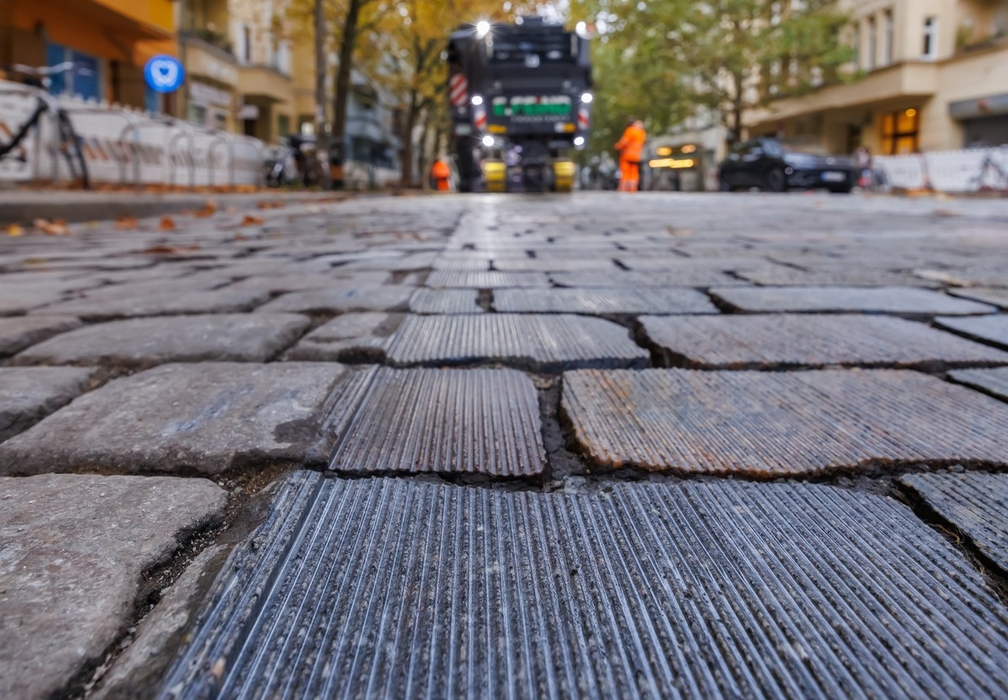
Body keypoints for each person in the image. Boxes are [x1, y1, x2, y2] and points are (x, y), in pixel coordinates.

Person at [615, 118, 646, 191]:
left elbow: (624, 141)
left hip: (627, 155)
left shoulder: (630, 130)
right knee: (634, 173)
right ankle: (632, 188)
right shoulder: (642, 133)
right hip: (636, 156)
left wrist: (617, 146)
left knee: (625, 172)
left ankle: (623, 188)